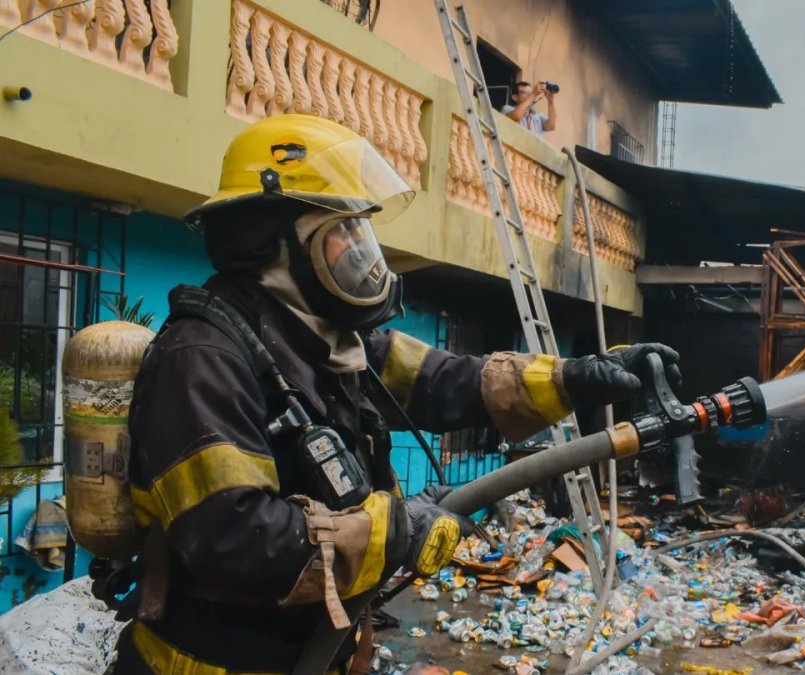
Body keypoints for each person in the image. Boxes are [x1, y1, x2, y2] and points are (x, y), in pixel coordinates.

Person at [113, 113, 677, 674]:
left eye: (361, 232)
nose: (361, 254)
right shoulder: (203, 360)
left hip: (311, 653)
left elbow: (443, 381)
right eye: (342, 234)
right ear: (275, 247)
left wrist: (575, 377)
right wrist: (394, 528)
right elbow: (232, 541)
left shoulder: (325, 339)